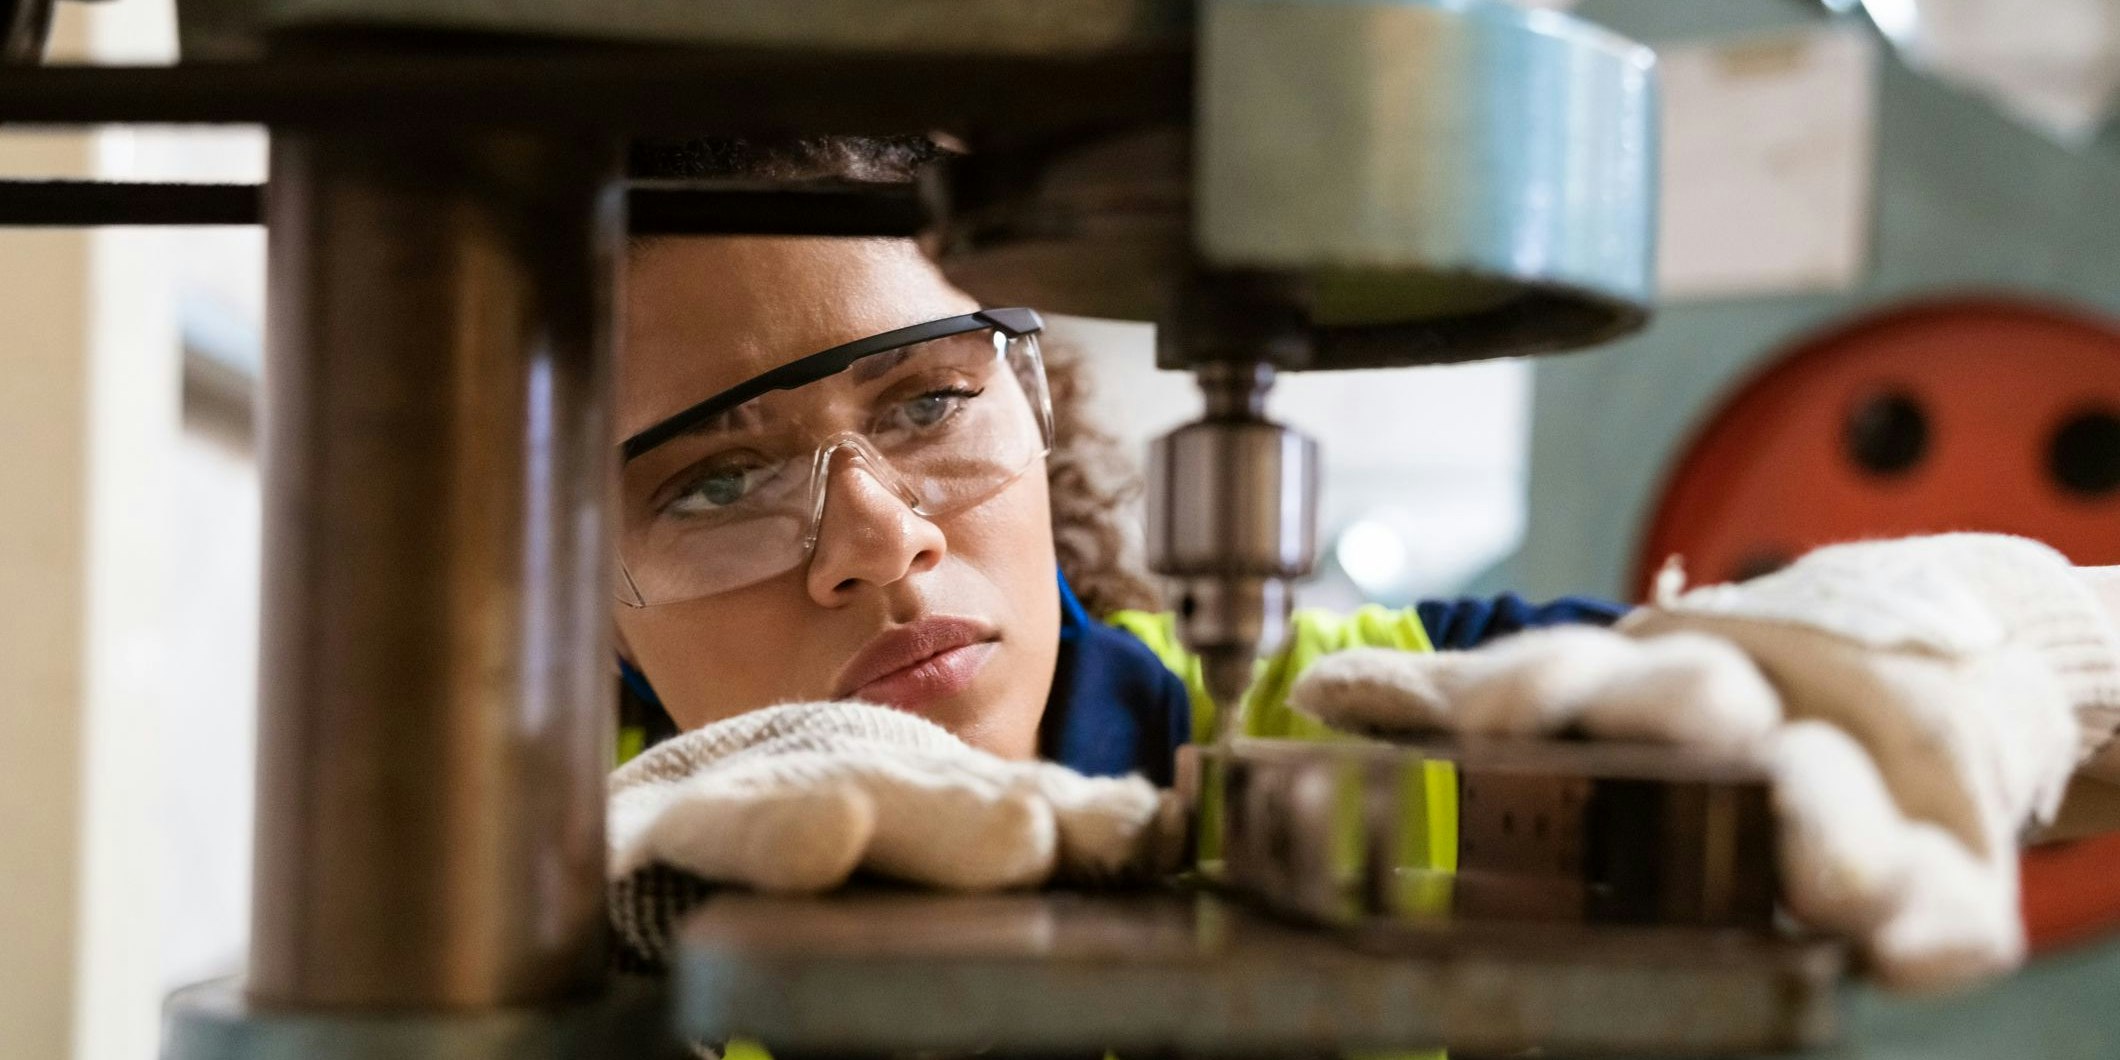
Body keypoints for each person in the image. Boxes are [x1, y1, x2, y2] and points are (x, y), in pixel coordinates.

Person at [604, 136, 2120, 996]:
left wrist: (1991, 645)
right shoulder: (494, 891)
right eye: (714, 481)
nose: (879, 542)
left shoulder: (1387, 718)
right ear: (558, 583)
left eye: (928, 402)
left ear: (1037, 395)